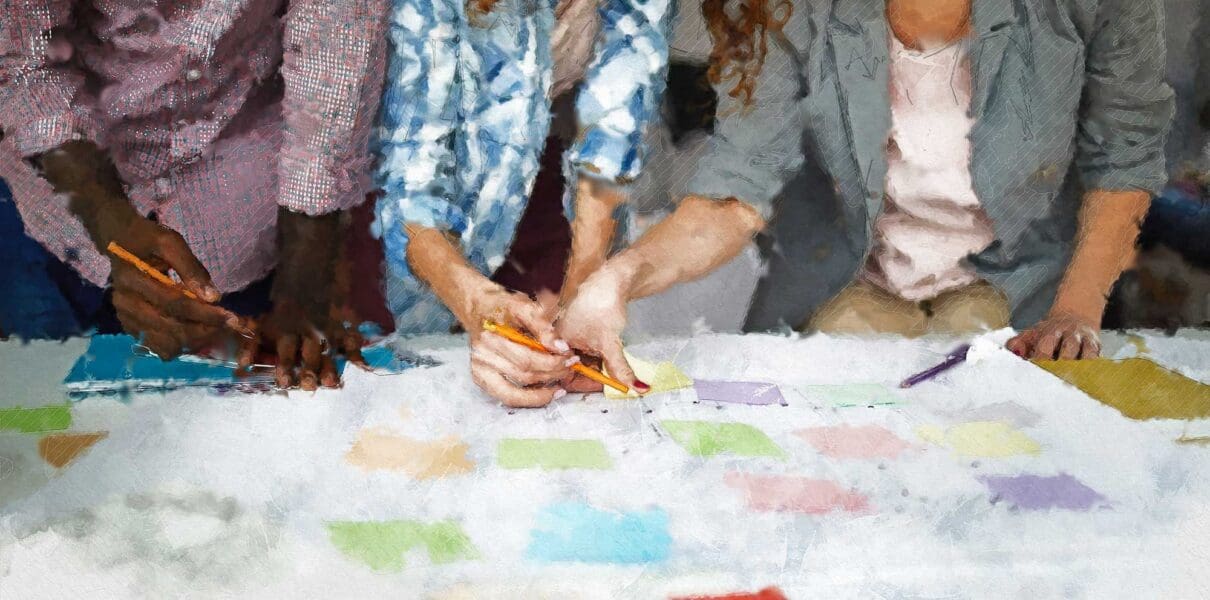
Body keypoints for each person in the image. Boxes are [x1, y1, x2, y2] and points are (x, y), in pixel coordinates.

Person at [555, 0, 1174, 389]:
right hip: (843, 295)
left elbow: (1123, 152)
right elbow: (737, 188)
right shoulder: (785, 10)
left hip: (1023, 302)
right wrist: (619, 278)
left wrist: (1074, 312)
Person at [0, 0, 391, 389]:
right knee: (47, 405)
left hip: (251, 219)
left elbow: (335, 42)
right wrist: (105, 214)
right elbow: (23, 64)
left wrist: (306, 277)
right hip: (50, 222)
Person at [374, 0, 673, 406]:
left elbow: (612, 143)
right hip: (396, 235)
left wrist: (578, 300)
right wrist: (474, 300)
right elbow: (411, 187)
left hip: (539, 199)